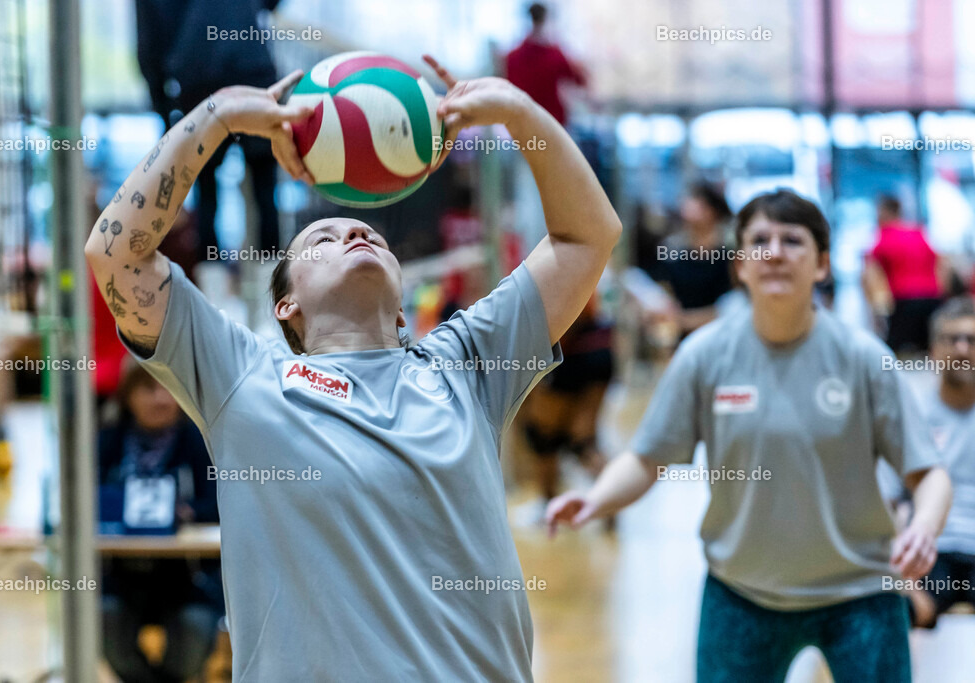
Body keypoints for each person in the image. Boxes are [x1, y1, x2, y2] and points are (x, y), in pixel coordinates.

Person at [84, 56, 621, 680]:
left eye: (371, 234)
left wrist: (520, 114)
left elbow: (587, 236)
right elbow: (116, 253)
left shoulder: (468, 364)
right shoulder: (243, 380)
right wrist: (221, 114)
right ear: (287, 306)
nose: (356, 235)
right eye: (323, 239)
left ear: (400, 304)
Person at [547, 189, 952, 683]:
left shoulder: (865, 359)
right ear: (739, 265)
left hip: (860, 594)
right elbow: (648, 458)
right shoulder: (704, 355)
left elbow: (928, 472)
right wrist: (597, 499)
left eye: (792, 240)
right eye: (759, 240)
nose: (775, 252)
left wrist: (923, 528)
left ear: (822, 265)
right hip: (740, 594)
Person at [100, 363, 223, 682]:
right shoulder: (107, 441)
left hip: (186, 575)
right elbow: (85, 503)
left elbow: (221, 502)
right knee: (105, 617)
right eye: (149, 390)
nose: (160, 399)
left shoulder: (200, 441)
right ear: (128, 397)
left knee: (195, 626)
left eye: (168, 389)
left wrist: (186, 512)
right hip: (120, 573)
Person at [135, 0, 282, 262]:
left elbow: (149, 38)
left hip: (199, 74)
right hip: (250, 68)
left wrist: (164, 109)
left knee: (207, 191)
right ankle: (272, 286)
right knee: (263, 190)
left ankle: (216, 286)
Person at [904, 297, 975, 628]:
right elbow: (887, 500)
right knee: (893, 604)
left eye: (972, 341)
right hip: (932, 549)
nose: (962, 349)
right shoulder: (911, 413)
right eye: (952, 339)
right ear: (934, 349)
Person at [519, 295, 613, 509]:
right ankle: (610, 504)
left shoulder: (550, 266)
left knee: (543, 436)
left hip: (570, 349)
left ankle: (548, 506)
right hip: (598, 347)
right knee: (582, 441)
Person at [864, 195, 946, 354]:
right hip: (932, 297)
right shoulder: (918, 232)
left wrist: (874, 310)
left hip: (904, 300)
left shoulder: (884, 234)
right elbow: (938, 261)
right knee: (930, 352)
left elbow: (871, 273)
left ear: (885, 212)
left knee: (895, 355)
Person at [652, 182, 734, 338]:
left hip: (719, 334)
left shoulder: (729, 253)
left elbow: (731, 305)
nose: (687, 205)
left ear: (712, 211)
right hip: (679, 336)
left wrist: (684, 320)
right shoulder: (672, 249)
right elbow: (662, 288)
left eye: (697, 201)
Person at [505, 3, 586, 128]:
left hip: (523, 124)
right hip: (553, 124)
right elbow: (580, 80)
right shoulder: (555, 55)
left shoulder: (512, 57)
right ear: (545, 20)